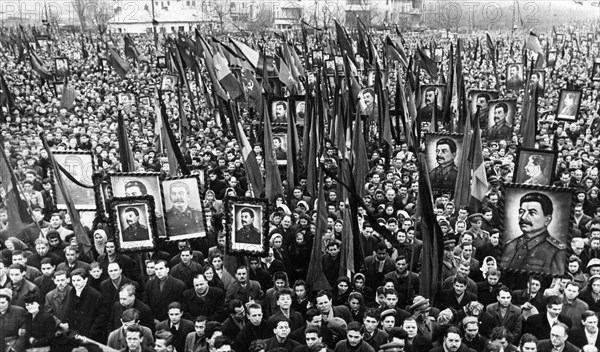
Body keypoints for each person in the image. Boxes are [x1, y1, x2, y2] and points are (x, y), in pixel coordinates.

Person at [499, 192, 568, 276]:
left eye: (532, 213)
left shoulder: (556, 251)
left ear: (547, 220)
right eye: (521, 212)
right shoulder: (510, 246)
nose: (523, 217)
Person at [0, 288, 29, 352]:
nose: (0, 305)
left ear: (9, 302)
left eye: (3, 303)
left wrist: (15, 348)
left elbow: (24, 334)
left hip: (12, 346)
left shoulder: (19, 312)